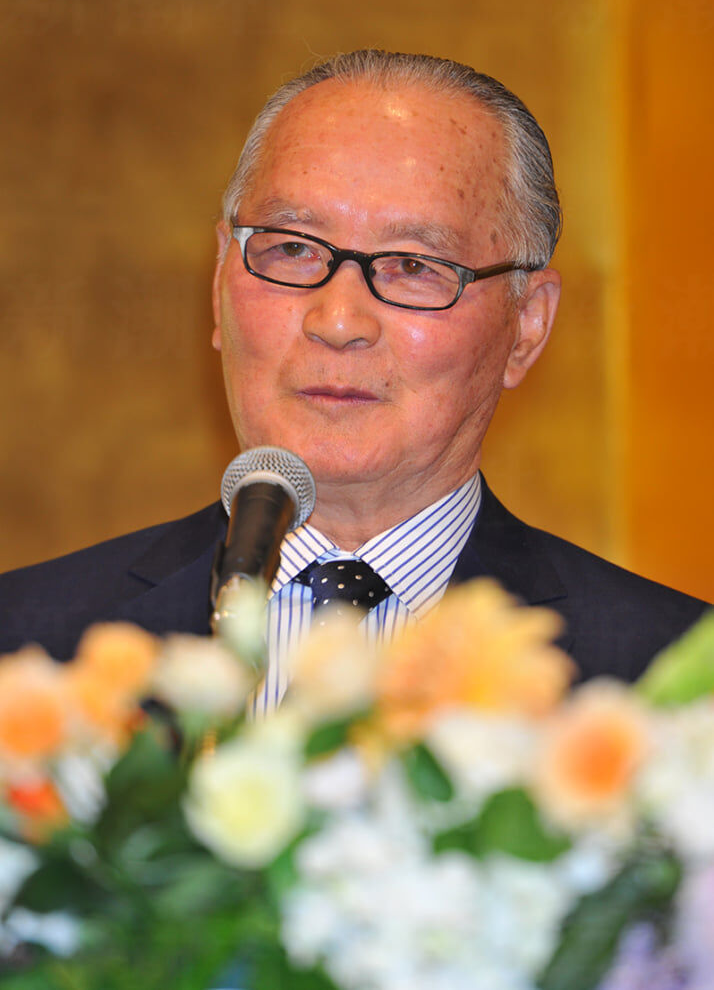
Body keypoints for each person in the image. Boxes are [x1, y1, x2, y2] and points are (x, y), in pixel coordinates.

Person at [0, 50, 707, 705]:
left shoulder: (669, 685)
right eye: (293, 250)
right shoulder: (27, 647)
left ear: (527, 325)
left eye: (413, 266)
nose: (338, 321)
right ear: (220, 283)